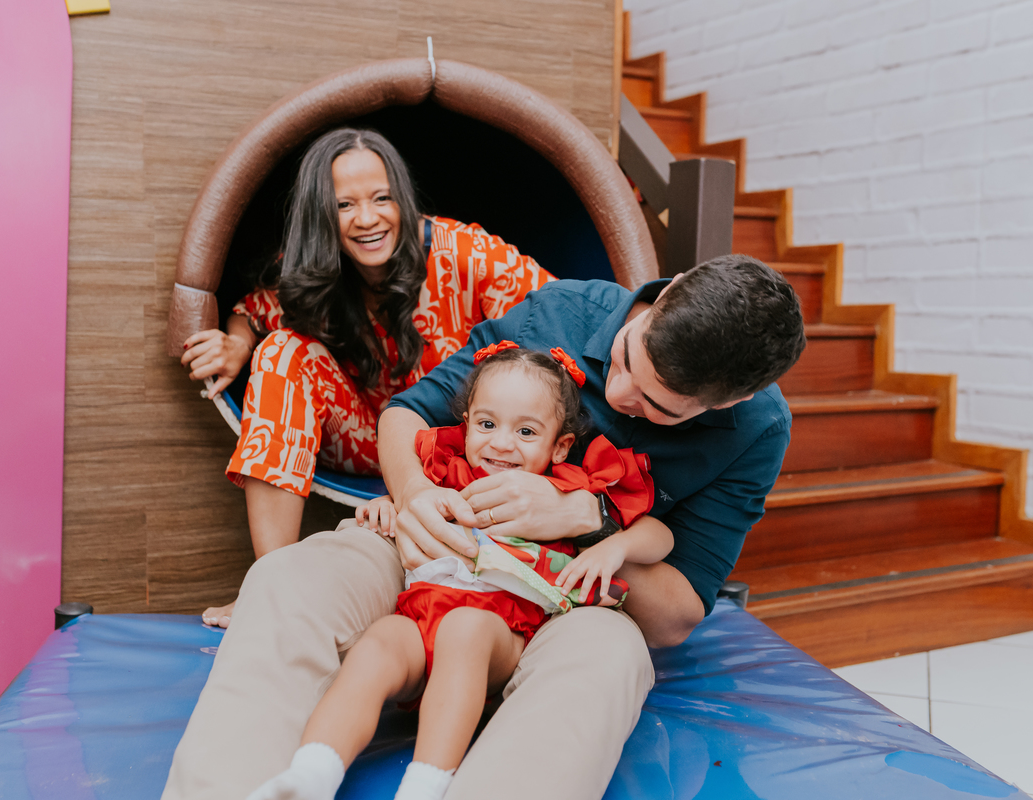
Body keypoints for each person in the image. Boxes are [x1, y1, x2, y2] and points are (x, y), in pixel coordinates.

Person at [161, 254, 806, 800]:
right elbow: (406, 416)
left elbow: (676, 613)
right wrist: (414, 496)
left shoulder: (755, 430)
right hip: (435, 549)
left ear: (730, 401)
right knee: (291, 577)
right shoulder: (561, 313)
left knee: (610, 663)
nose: (617, 395)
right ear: (664, 295)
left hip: (562, 604)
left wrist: (588, 521)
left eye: (656, 404)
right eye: (626, 359)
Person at [246, 345, 669, 800]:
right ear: (466, 425)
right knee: (379, 642)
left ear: (560, 445)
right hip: (422, 619)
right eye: (487, 425)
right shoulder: (448, 473)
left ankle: (424, 785)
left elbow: (660, 535)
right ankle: (313, 772)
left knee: (464, 631)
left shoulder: (562, 491)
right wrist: (387, 507)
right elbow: (413, 500)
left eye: (526, 431)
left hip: (499, 635)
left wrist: (614, 546)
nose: (501, 443)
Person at [178, 128, 553, 627]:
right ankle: (270, 583)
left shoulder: (465, 252)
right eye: (345, 205)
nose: (368, 218)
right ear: (322, 216)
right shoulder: (312, 265)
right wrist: (235, 345)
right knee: (281, 349)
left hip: (457, 445)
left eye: (382, 198)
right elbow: (253, 311)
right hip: (360, 433)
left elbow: (555, 312)